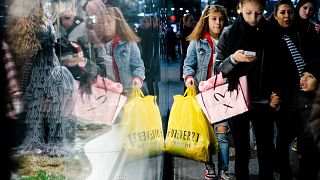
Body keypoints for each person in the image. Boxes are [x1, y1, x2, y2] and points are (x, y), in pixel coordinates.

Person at [214, 0, 275, 179]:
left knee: (265, 148)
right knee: (241, 149)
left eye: (258, 13)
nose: (253, 18)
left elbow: (279, 66)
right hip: (237, 98)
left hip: (264, 98)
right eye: (248, 13)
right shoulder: (229, 32)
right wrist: (234, 59)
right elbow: (219, 68)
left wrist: (277, 92)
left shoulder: (270, 32)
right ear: (240, 8)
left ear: (263, 10)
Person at [7, 0, 75, 156]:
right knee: (42, 109)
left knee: (44, 109)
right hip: (41, 73)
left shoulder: (36, 21)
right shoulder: (35, 25)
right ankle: (47, 142)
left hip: (48, 70)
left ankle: (46, 141)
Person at [183, 5, 230, 180]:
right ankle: (209, 166)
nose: (218, 22)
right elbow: (188, 64)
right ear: (206, 20)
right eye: (214, 19)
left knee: (222, 133)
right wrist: (189, 77)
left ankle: (224, 169)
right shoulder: (197, 41)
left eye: (221, 19)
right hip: (202, 96)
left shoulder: (230, 40)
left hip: (223, 95)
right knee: (207, 134)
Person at [268, 0, 309, 178]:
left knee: (299, 134)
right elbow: (268, 69)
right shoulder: (270, 36)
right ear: (275, 14)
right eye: (283, 12)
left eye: (290, 12)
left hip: (300, 93)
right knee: (284, 136)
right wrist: (273, 93)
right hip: (282, 94)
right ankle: (283, 171)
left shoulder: (298, 33)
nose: (287, 16)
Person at [83, 0, 145, 94]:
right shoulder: (93, 46)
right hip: (103, 96)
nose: (106, 25)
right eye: (102, 22)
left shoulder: (128, 44)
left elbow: (138, 66)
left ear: (117, 22)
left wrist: (137, 79)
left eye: (109, 21)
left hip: (125, 95)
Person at [286, 60, 320, 180]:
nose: (304, 80)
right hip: (306, 153)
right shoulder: (298, 98)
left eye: (310, 77)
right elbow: (289, 124)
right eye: (302, 75)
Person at [137, 15, 160, 97]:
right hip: (140, 62)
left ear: (150, 24)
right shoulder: (139, 33)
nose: (142, 23)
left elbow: (151, 51)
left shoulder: (150, 34)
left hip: (148, 63)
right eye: (142, 21)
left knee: (150, 84)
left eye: (145, 22)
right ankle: (148, 99)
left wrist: (148, 65)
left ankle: (152, 101)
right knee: (140, 84)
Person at [179, 13, 196, 82]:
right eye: (191, 21)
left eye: (193, 20)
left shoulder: (189, 31)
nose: (193, 22)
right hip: (187, 58)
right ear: (185, 23)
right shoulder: (186, 33)